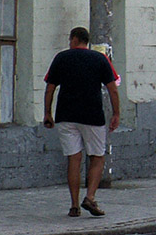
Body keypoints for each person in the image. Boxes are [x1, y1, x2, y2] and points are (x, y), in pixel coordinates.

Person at [43, 26, 120, 218]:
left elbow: (50, 88)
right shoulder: (100, 59)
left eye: (70, 40)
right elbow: (113, 89)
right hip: (92, 116)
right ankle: (90, 197)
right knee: (97, 156)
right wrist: (116, 113)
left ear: (74, 39)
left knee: (74, 159)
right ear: (86, 41)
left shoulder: (61, 58)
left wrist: (47, 113)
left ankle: (74, 206)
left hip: (66, 116)